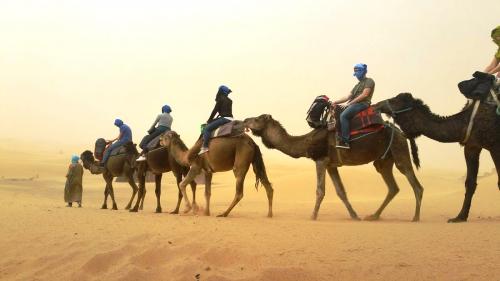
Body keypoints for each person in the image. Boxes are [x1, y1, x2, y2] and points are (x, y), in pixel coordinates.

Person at [333, 63, 375, 149]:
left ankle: (345, 141)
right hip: (354, 104)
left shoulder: (369, 81)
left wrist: (349, 104)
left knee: (344, 116)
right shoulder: (357, 85)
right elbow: (348, 97)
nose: (356, 75)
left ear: (363, 72)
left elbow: (364, 95)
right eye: (355, 73)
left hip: (362, 104)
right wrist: (335, 102)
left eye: (358, 73)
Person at [199, 85, 233, 155]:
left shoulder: (220, 99)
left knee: (207, 128)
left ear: (220, 92)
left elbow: (215, 111)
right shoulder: (230, 100)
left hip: (224, 118)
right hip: (230, 119)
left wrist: (209, 120)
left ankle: (205, 147)